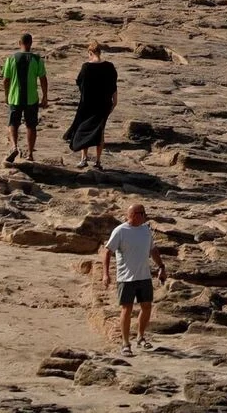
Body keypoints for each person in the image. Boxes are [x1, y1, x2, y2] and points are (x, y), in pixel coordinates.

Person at [102, 202, 167, 354]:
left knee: (146, 306)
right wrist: (106, 274)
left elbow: (153, 250)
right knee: (127, 309)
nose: (145, 216)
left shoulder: (145, 230)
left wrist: (161, 266)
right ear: (134, 215)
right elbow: (107, 252)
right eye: (143, 213)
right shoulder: (120, 231)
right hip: (126, 278)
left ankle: (140, 337)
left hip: (144, 276)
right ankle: (125, 343)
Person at [65, 41, 118, 170]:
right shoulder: (110, 67)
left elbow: (80, 83)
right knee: (100, 131)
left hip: (88, 104)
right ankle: (98, 161)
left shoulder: (86, 67)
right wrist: (114, 102)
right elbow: (113, 85)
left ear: (90, 53)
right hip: (104, 104)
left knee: (84, 130)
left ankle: (84, 159)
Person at [1, 32, 49, 166]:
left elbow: (6, 80)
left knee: (13, 124)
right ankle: (30, 154)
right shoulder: (37, 59)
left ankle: (14, 147)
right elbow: (43, 79)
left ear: (19, 43)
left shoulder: (11, 59)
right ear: (31, 43)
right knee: (31, 125)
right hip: (31, 98)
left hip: (15, 97)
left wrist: (6, 95)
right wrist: (45, 96)